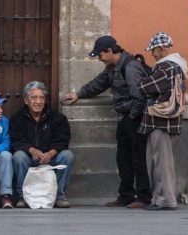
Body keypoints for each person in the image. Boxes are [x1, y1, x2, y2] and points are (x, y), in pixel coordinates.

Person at [62, 35, 152, 208]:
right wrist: (79, 94)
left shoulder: (131, 67)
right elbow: (99, 83)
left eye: (100, 55)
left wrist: (132, 117)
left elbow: (139, 96)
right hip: (124, 118)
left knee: (138, 159)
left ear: (110, 51)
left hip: (135, 119)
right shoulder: (112, 67)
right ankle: (126, 195)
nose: (99, 58)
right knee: (123, 158)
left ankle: (143, 197)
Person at [138, 32, 188, 211]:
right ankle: (160, 198)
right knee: (158, 161)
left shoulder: (166, 67)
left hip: (160, 121)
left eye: (154, 50)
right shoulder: (178, 66)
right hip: (167, 120)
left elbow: (146, 87)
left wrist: (142, 80)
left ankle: (165, 200)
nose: (152, 54)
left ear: (162, 48)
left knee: (161, 163)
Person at [10, 81, 75, 208]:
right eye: (34, 97)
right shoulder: (17, 119)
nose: (38, 101)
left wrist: (51, 153)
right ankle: (23, 197)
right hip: (29, 158)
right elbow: (16, 140)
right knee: (18, 156)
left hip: (50, 158)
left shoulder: (58, 118)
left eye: (42, 98)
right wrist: (31, 150)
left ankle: (59, 196)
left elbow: (62, 140)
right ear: (26, 100)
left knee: (68, 155)